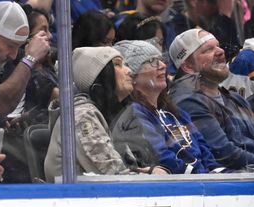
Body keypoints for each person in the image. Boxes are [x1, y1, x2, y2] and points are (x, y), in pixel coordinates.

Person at [44, 46, 168, 178]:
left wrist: (149, 171)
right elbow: (113, 175)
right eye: (117, 65)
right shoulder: (82, 116)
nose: (129, 71)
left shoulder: (108, 115)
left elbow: (125, 168)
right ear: (98, 76)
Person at [168, 29, 254, 176]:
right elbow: (225, 154)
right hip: (233, 187)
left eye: (218, 46)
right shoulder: (187, 102)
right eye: (208, 49)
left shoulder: (236, 100)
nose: (220, 52)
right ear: (187, 66)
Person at [111, 40, 226, 174]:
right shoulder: (134, 115)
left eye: (161, 59)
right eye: (151, 61)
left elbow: (205, 151)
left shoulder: (176, 112)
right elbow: (161, 157)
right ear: (132, 75)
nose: (162, 65)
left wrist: (219, 174)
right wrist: (200, 175)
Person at [0, 0, 51, 180]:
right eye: (10, 46)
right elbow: (1, 104)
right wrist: (29, 59)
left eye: (18, 48)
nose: (14, 55)